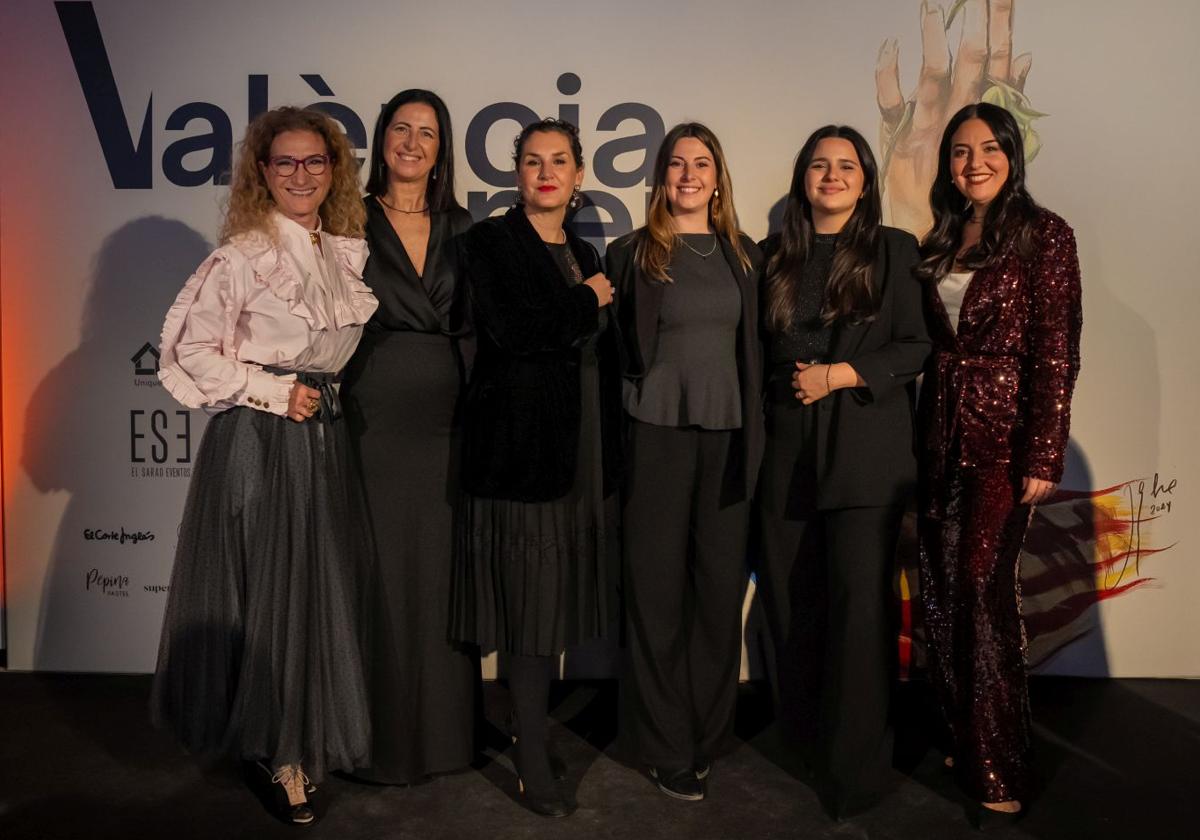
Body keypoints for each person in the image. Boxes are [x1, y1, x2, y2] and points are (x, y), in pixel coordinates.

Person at [151, 106, 379, 825]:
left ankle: (297, 740)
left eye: (315, 162)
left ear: (334, 170)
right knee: (270, 594)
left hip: (320, 444)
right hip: (260, 441)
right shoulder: (243, 255)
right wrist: (274, 391)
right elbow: (187, 354)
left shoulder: (343, 252)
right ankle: (281, 754)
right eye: (285, 162)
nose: (301, 175)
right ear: (263, 172)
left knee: (312, 593)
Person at [754, 125, 930, 816]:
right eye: (819, 165)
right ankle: (804, 744)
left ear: (865, 179)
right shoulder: (773, 256)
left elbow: (915, 345)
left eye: (846, 165)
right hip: (784, 448)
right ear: (803, 177)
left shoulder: (895, 250)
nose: (832, 175)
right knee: (792, 606)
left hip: (864, 450)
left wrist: (841, 374)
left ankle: (856, 774)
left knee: (861, 613)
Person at [915, 101, 1082, 826]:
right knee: (941, 587)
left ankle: (998, 758)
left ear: (1012, 154)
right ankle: (961, 732)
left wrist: (1043, 450)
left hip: (1005, 438)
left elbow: (1056, 349)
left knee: (983, 593)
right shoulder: (943, 235)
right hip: (938, 432)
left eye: (987, 148)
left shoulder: (1046, 236)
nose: (973, 162)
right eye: (959, 151)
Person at [450, 118, 619, 818]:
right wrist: (588, 299)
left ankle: (528, 726)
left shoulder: (583, 249)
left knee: (553, 605)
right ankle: (529, 760)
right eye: (531, 160)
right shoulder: (488, 243)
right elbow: (516, 334)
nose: (545, 171)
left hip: (577, 451)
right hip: (521, 453)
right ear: (516, 174)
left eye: (559, 161)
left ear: (579, 175)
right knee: (530, 608)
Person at [607, 122, 762, 802]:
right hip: (656, 439)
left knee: (718, 594)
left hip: (728, 443)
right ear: (661, 178)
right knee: (656, 595)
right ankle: (665, 744)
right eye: (677, 164)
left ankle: (705, 735)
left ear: (719, 177)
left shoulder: (746, 257)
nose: (689, 174)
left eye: (702, 163)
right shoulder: (631, 254)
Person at [340, 89, 480, 785]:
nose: (413, 142)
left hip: (449, 425)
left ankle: (447, 739)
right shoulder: (347, 218)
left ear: (441, 148)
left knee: (437, 573)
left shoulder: (464, 225)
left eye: (428, 132)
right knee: (378, 572)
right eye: (402, 128)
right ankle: (375, 743)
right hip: (369, 420)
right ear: (381, 138)